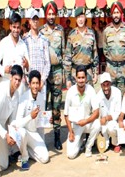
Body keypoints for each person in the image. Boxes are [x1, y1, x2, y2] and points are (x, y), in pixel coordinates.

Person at [39, 1, 65, 150]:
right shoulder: (41, 31)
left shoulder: (60, 30)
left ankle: (56, 136)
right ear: (45, 15)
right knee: (43, 105)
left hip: (56, 73)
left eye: (52, 13)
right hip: (44, 73)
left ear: (56, 14)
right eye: (48, 14)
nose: (50, 16)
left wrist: (64, 74)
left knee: (56, 106)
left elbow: (63, 52)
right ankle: (42, 138)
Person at [11, 70, 49, 168]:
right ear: (29, 84)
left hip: (33, 133)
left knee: (45, 158)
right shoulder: (24, 98)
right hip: (23, 132)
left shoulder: (41, 98)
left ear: (40, 84)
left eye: (37, 83)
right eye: (33, 83)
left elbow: (40, 124)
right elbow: (18, 124)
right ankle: (24, 158)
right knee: (22, 132)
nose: (35, 86)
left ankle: (25, 150)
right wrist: (30, 117)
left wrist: (47, 122)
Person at [64, 65, 100, 159]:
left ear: (86, 78)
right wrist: (71, 132)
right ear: (75, 78)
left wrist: (86, 121)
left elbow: (96, 112)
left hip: (87, 122)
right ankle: (81, 141)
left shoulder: (91, 90)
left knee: (97, 124)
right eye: (79, 78)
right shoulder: (70, 92)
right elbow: (66, 114)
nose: (81, 80)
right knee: (71, 155)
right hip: (75, 126)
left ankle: (88, 147)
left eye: (83, 77)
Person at [0, 12, 29, 97]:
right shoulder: (4, 42)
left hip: (20, 85)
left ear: (20, 27)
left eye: (18, 27)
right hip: (7, 82)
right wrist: (3, 70)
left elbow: (28, 64)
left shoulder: (23, 44)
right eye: (14, 27)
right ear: (10, 27)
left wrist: (27, 65)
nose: (16, 30)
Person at [64, 6, 99, 88]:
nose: (80, 19)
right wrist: (68, 78)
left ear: (85, 17)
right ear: (76, 19)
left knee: (89, 98)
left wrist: (96, 73)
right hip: (75, 74)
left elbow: (95, 54)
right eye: (78, 17)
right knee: (75, 98)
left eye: (82, 17)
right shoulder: (72, 34)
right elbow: (67, 57)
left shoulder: (91, 33)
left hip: (88, 73)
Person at [103, 1, 125, 93]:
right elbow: (105, 48)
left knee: (123, 93)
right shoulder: (107, 30)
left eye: (118, 13)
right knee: (110, 93)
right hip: (111, 67)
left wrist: (123, 59)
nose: (116, 15)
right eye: (114, 13)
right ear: (111, 14)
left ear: (121, 14)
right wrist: (112, 59)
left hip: (123, 68)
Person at [23, 10, 51, 101]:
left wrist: (42, 81)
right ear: (29, 21)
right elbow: (23, 61)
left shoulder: (44, 40)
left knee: (41, 109)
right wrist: (27, 80)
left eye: (36, 19)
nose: (35, 22)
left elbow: (47, 62)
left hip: (41, 83)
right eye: (33, 19)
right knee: (29, 109)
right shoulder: (25, 40)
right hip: (29, 82)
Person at [97, 72, 122, 152]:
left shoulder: (117, 92)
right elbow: (97, 113)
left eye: (107, 85)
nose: (106, 88)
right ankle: (106, 142)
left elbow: (118, 112)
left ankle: (116, 143)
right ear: (101, 85)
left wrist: (107, 118)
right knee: (103, 147)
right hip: (103, 123)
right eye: (103, 85)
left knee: (111, 127)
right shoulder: (98, 96)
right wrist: (100, 122)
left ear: (111, 83)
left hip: (114, 121)